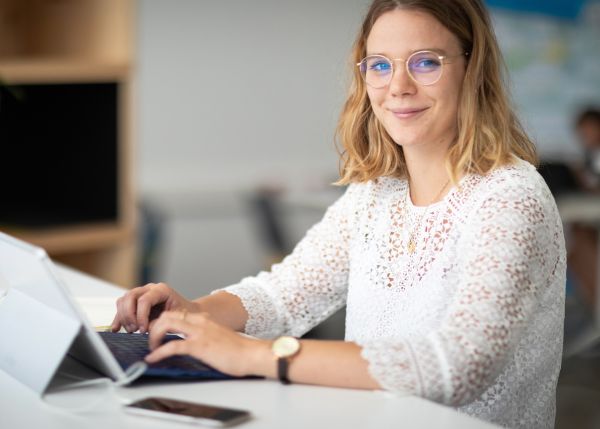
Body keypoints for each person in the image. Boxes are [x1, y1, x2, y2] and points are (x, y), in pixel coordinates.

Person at [112, 1, 566, 428]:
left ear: (472, 70)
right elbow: (285, 294)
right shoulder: (376, 194)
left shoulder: (512, 198)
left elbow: (460, 363)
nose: (398, 87)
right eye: (380, 65)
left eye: (426, 61)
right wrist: (196, 311)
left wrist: (257, 357)